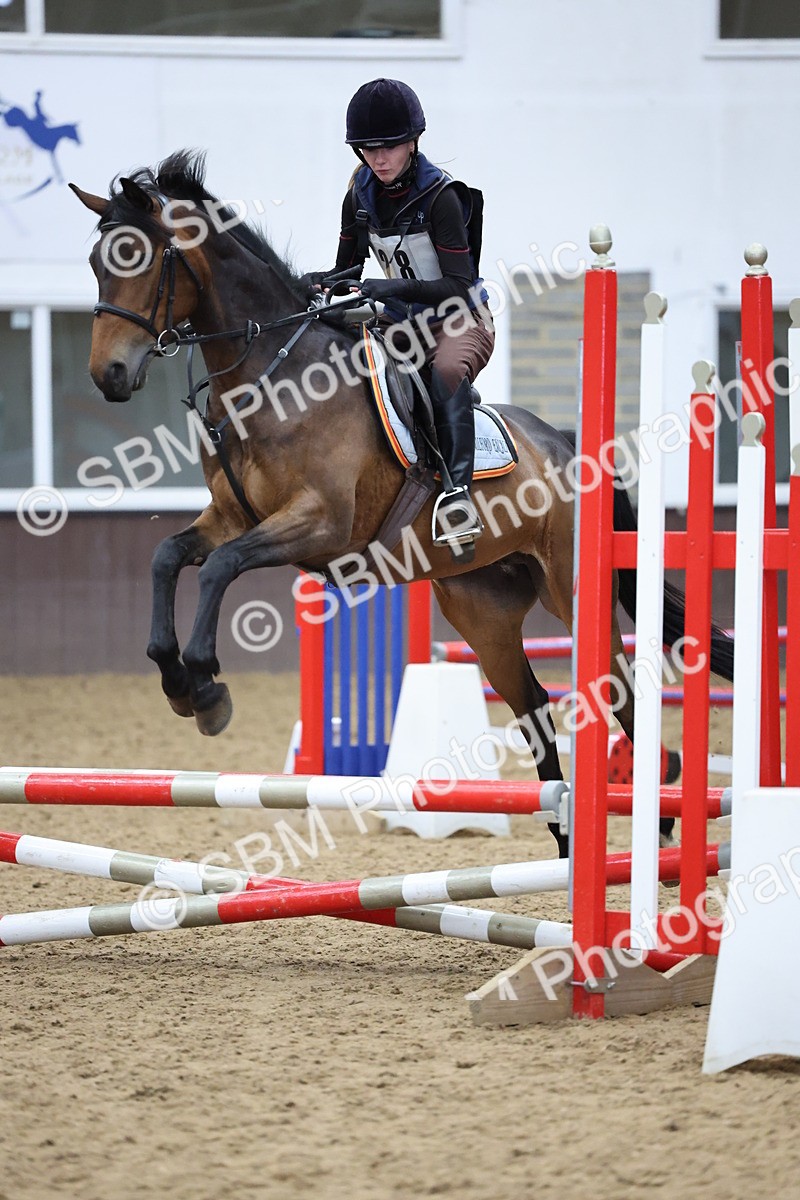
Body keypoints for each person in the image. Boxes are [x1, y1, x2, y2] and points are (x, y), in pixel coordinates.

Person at [305, 78, 494, 546]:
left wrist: (389, 286)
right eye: (369, 149)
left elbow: (458, 285)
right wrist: (315, 282)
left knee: (445, 371)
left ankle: (457, 496)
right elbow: (348, 270)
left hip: (461, 318)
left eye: (388, 147)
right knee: (346, 362)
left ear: (412, 142)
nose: (379, 158)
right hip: (402, 321)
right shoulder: (359, 197)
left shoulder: (442, 198)